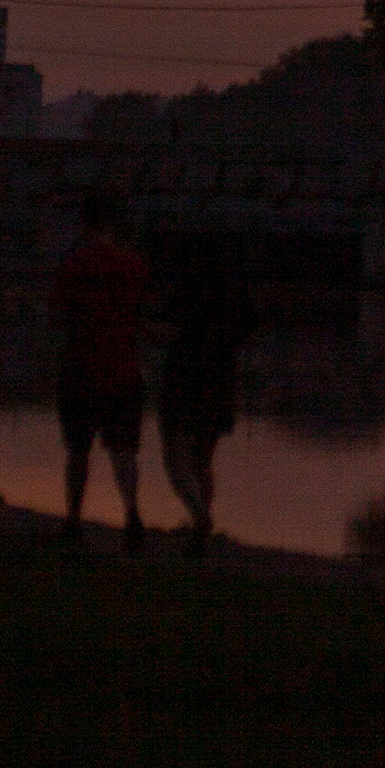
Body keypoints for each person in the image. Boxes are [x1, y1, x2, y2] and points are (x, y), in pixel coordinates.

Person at [51, 185, 152, 548]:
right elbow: (143, 314)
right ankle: (132, 514)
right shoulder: (135, 265)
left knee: (78, 451)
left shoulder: (73, 264)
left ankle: (74, 519)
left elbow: (58, 316)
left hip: (81, 369)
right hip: (124, 370)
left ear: (85, 223)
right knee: (124, 452)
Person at [156, 235, 252, 554]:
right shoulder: (235, 297)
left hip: (186, 382)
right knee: (202, 460)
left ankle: (201, 519)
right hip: (220, 384)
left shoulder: (189, 294)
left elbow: (169, 327)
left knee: (176, 458)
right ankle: (202, 528)